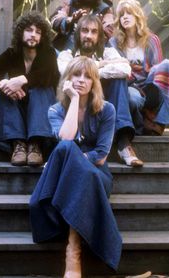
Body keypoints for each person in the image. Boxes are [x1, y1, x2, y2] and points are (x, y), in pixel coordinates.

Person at [30, 56, 122, 276]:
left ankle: (73, 250)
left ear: (94, 83)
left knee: (74, 162)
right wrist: (73, 101)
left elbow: (100, 156)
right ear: (67, 79)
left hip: (97, 175)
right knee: (65, 149)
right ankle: (74, 248)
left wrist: (72, 159)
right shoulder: (55, 110)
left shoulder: (107, 110)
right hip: (66, 176)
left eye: (87, 77)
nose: (81, 80)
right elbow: (66, 138)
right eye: (76, 75)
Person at [57, 14, 143, 167]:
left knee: (118, 80)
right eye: (85, 31)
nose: (88, 35)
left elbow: (124, 68)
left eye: (93, 31)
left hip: (102, 104)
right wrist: (100, 65)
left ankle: (123, 142)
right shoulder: (66, 55)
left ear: (99, 36)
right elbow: (66, 71)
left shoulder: (108, 52)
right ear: (78, 34)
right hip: (76, 106)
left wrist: (92, 69)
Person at [0, 11, 60, 166]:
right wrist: (4, 84)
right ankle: (19, 145)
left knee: (41, 89)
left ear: (42, 36)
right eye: (29, 30)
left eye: (38, 32)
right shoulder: (12, 53)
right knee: (3, 91)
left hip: (41, 111)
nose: (33, 35)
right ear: (20, 32)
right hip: (17, 110)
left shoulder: (48, 53)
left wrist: (21, 80)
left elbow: (49, 75)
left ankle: (35, 145)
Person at [109, 0, 169, 135]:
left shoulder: (151, 40)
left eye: (129, 13)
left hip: (151, 86)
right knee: (132, 98)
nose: (125, 17)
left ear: (137, 16)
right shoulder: (114, 42)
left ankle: (161, 120)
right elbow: (115, 69)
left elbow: (159, 71)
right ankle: (139, 125)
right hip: (129, 86)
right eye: (121, 15)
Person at [50, 0, 114, 51]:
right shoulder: (69, 4)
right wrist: (70, 20)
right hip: (66, 51)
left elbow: (108, 32)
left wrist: (96, 26)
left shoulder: (105, 9)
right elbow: (54, 21)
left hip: (93, 53)